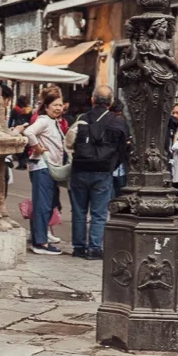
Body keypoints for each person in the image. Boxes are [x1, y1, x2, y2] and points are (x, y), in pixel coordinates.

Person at [64, 85, 127, 260]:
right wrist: (112, 166)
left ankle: (78, 246)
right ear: (111, 102)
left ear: (92, 100)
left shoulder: (82, 119)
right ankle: (94, 248)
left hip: (80, 169)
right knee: (99, 212)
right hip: (103, 170)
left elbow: (69, 143)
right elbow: (123, 150)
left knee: (79, 210)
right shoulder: (118, 122)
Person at [23, 87, 68, 255]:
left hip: (48, 167)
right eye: (55, 105)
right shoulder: (43, 120)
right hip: (42, 167)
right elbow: (28, 132)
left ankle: (39, 239)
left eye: (60, 105)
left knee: (44, 204)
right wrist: (37, 147)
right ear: (47, 106)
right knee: (42, 205)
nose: (58, 108)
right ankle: (41, 243)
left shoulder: (53, 121)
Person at [9, 95, 33, 169]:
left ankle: (21, 163)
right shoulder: (29, 110)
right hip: (26, 128)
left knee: (19, 145)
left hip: (18, 128)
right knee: (25, 146)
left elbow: (11, 120)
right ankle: (24, 162)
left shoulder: (15, 109)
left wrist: (9, 127)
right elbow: (31, 119)